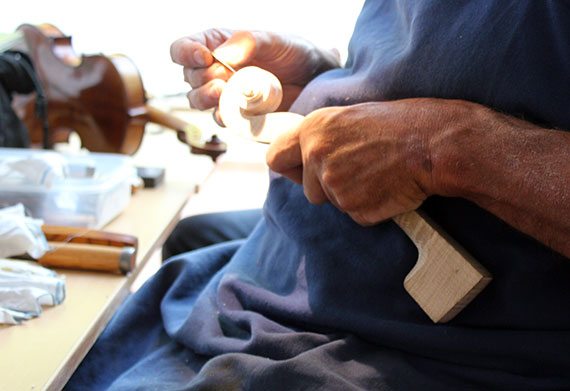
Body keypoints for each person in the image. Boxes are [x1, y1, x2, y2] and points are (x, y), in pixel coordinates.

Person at [66, 1, 570, 390]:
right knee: (167, 254)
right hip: (274, 275)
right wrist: (321, 79)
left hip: (419, 351)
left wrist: (439, 148)